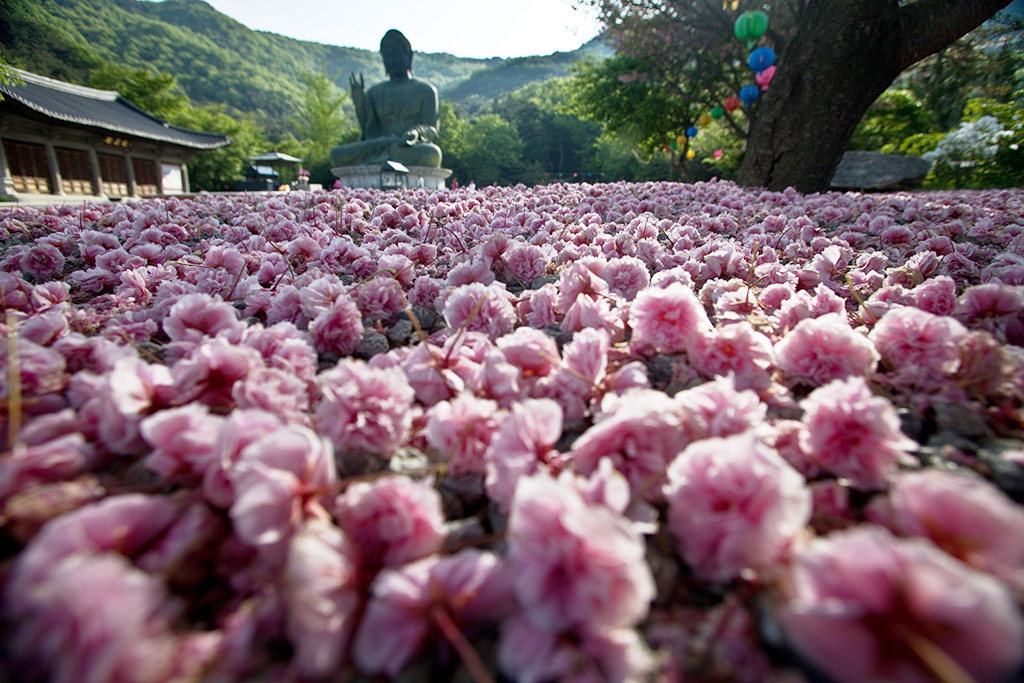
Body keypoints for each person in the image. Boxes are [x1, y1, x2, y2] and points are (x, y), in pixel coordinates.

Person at [330, 30, 443, 168]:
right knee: (336, 154)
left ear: (409, 56)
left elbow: (432, 129)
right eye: (386, 56)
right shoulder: (374, 92)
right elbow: (369, 132)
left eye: (395, 55)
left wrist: (416, 133)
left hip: (407, 147)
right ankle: (387, 153)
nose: (390, 60)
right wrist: (360, 105)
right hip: (380, 145)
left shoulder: (426, 90)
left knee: (432, 154)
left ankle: (389, 153)